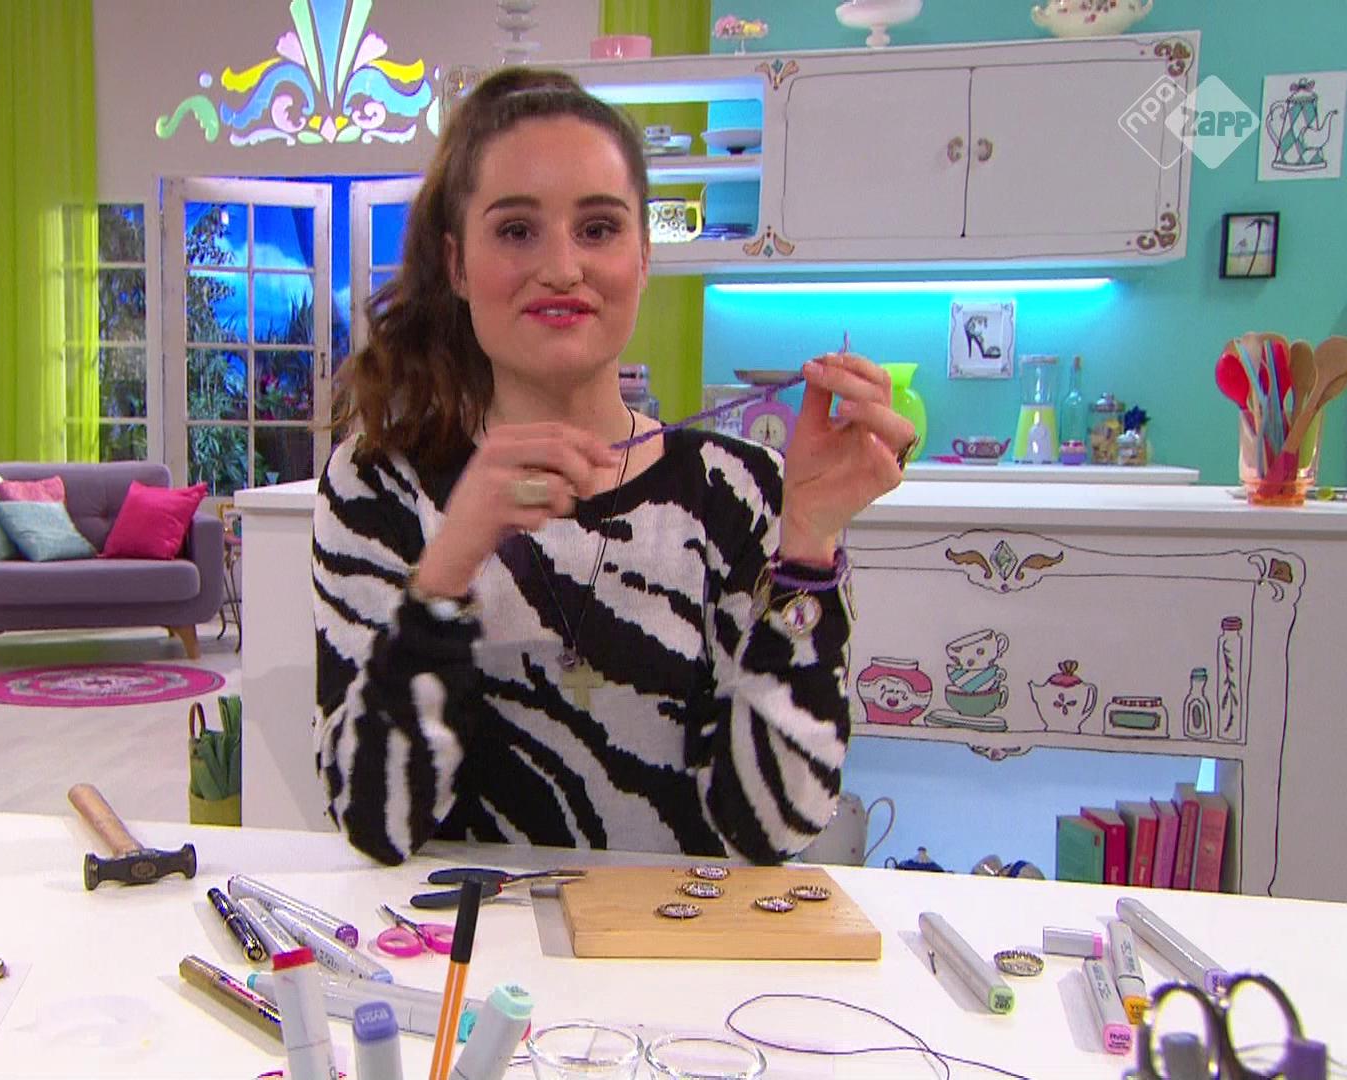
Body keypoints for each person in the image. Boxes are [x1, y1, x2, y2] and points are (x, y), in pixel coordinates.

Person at [313, 68, 913, 866]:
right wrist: (448, 568)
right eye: (516, 230)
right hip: (466, 934)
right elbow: (377, 823)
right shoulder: (377, 487)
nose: (563, 268)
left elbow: (772, 829)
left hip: (677, 936)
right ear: (457, 264)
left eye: (598, 229)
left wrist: (808, 544)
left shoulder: (741, 490)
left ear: (643, 256)